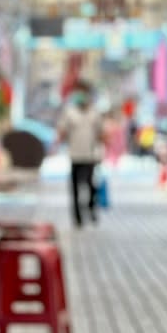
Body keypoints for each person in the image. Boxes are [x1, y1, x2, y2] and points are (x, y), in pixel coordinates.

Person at [56, 81, 103, 227]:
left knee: (90, 185)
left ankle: (91, 208)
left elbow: (101, 134)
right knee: (75, 187)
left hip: (90, 155)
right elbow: (61, 132)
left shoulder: (95, 112)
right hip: (75, 155)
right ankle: (77, 217)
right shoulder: (69, 112)